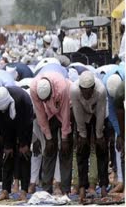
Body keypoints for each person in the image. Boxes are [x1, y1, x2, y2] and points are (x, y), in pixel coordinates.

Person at [30, 71, 73, 195]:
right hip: (49, 114)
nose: (46, 100)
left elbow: (65, 114)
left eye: (47, 98)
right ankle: (46, 189)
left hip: (65, 108)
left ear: (51, 91)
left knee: (65, 151)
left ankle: (65, 189)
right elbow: (40, 113)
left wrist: (64, 138)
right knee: (49, 150)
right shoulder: (34, 89)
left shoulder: (62, 88)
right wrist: (48, 137)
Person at [70, 71, 109, 203]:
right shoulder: (74, 91)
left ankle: (103, 185)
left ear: (93, 88)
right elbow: (77, 112)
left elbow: (101, 111)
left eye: (89, 91)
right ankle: (82, 186)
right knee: (81, 150)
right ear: (80, 88)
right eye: (84, 91)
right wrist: (82, 134)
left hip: (99, 114)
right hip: (83, 116)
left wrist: (99, 135)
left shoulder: (101, 90)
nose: (86, 94)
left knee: (102, 149)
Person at [0, 86, 33, 201]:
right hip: (6, 125)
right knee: (8, 155)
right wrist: (8, 144)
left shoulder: (21, 100)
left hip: (24, 122)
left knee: (24, 155)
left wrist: (24, 143)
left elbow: (26, 124)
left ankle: (24, 190)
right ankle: (5, 190)